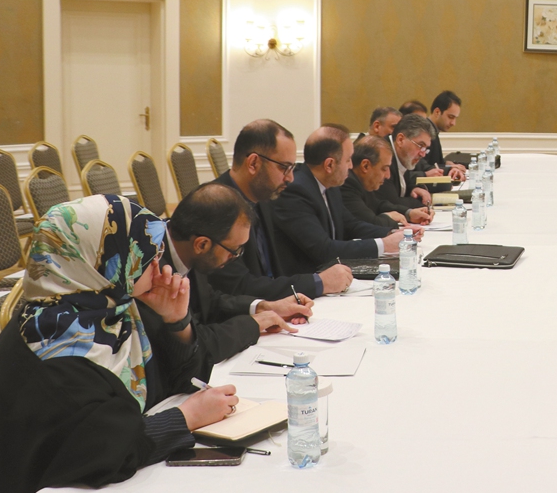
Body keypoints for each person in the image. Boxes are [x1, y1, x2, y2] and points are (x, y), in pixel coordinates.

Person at [0, 195, 240, 493]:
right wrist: (186, 417)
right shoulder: (52, 339)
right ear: (103, 259)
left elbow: (176, 383)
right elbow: (106, 450)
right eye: (144, 256)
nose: (158, 266)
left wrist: (176, 321)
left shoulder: (108, 309)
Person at [156, 183, 313, 380]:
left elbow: (209, 302)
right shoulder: (154, 272)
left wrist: (263, 307)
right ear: (202, 244)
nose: (235, 257)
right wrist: (252, 325)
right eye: (234, 251)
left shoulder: (187, 247)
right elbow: (196, 343)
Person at [209, 119, 353, 300]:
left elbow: (276, 271)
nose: (291, 178)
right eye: (284, 168)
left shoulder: (264, 197)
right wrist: (318, 282)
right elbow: (239, 286)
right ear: (253, 163)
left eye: (292, 168)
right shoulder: (217, 210)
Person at [271, 124, 416, 277]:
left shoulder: (330, 185)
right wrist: (383, 245)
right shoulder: (295, 191)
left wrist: (393, 233)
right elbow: (323, 250)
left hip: (333, 273)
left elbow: (350, 225)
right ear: (329, 165)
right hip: (306, 282)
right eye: (348, 160)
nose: (352, 166)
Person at [342, 136, 433, 227]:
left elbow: (378, 205)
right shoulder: (348, 183)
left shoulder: (361, 181)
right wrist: (388, 217)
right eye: (384, 169)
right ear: (365, 166)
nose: (388, 176)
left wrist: (409, 213)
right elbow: (370, 224)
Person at [376, 114, 435, 211]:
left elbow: (405, 183)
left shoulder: (403, 156)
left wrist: (414, 189)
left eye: (425, 148)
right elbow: (391, 203)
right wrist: (419, 202)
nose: (423, 154)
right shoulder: (382, 156)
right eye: (420, 145)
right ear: (400, 140)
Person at [421, 90, 467, 182]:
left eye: (455, 118)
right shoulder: (425, 133)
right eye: (450, 117)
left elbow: (433, 162)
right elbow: (422, 167)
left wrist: (447, 164)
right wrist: (448, 169)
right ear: (437, 112)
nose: (453, 123)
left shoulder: (433, 130)